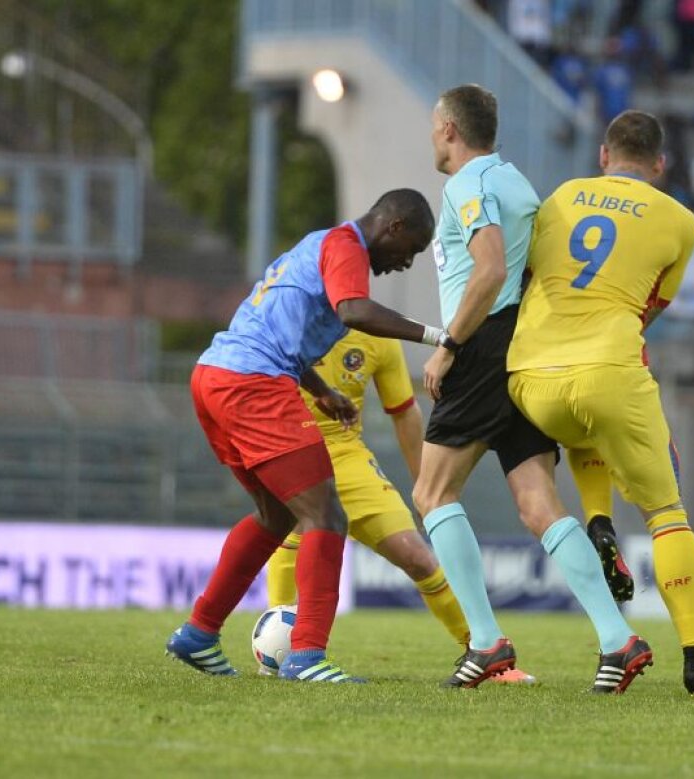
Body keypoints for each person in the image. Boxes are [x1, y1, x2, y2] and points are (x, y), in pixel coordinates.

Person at [416, 84, 651, 693]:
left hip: (484, 346)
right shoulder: (520, 183)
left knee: (432, 492)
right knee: (537, 502)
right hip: (526, 349)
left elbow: (491, 267)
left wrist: (448, 347)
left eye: (432, 127)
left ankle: (487, 641)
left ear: (448, 129)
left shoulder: (467, 186)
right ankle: (616, 639)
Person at [507, 109, 694, 697]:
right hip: (607, 371)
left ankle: (597, 521)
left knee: (584, 429)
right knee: (667, 514)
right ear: (660, 165)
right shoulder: (679, 220)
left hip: (528, 377)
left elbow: (529, 274)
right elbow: (651, 307)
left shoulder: (563, 196)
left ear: (603, 156)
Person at [165, 189, 449, 682]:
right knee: (327, 516)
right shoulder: (347, 247)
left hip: (215, 375)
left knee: (275, 515)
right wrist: (440, 337)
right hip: (251, 382)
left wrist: (319, 391)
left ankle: (199, 633)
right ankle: (307, 656)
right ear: (394, 227)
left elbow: (281, 331)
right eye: (412, 250)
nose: (406, 263)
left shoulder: (318, 246)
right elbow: (355, 313)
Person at [263, 329, 533, 683]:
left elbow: (404, 413)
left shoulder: (375, 335)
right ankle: (275, 652)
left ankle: (484, 652)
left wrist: (426, 486)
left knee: (418, 558)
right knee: (296, 530)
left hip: (349, 456)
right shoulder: (294, 315)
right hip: (293, 445)